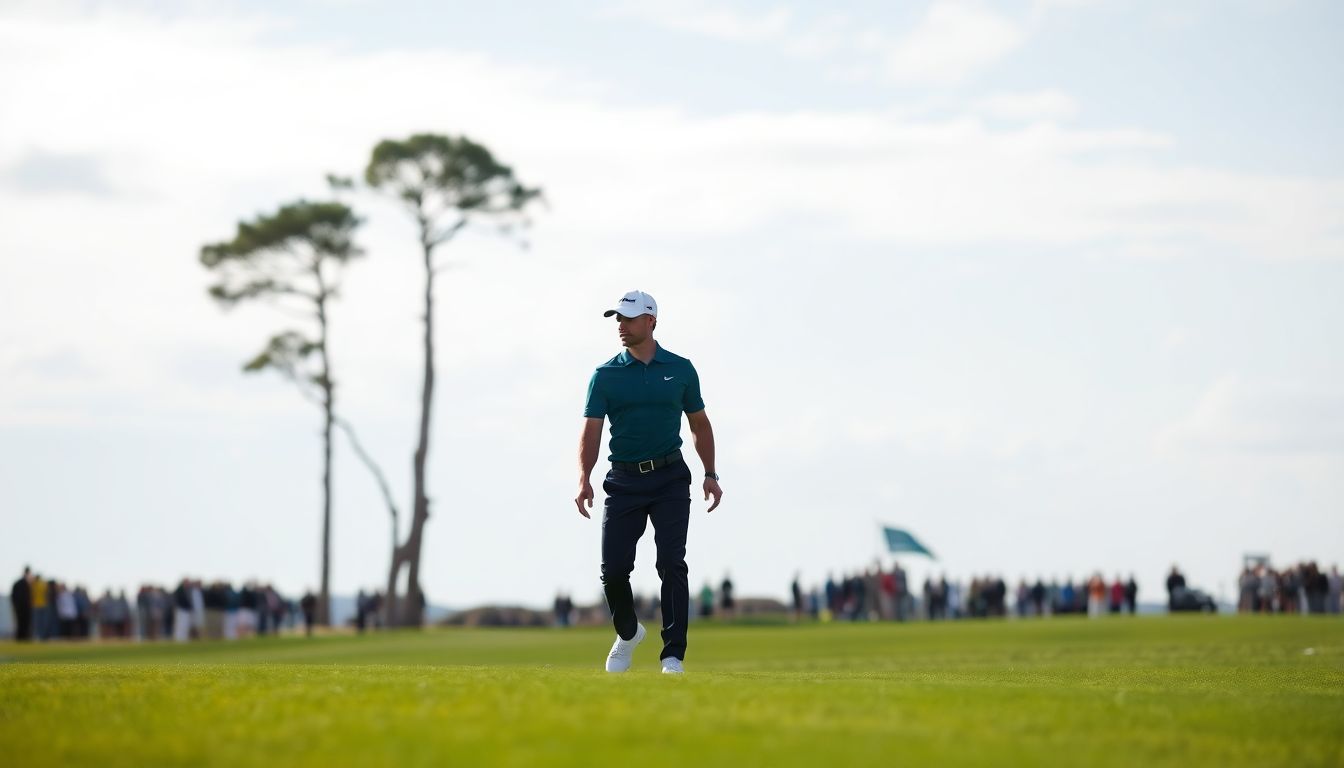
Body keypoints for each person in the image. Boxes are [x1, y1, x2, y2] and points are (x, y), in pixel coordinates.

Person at [574, 290, 723, 675]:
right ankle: (628, 633)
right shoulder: (604, 375)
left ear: (651, 321)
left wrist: (710, 473)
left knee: (671, 563)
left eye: (628, 318)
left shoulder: (681, 369)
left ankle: (672, 655)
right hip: (622, 480)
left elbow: (699, 424)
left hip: (670, 478)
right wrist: (584, 479)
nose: (621, 326)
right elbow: (591, 432)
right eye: (617, 319)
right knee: (613, 571)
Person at [10, 567, 32, 641]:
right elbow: (13, 595)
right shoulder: (21, 583)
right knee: (21, 622)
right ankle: (21, 637)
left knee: (24, 622)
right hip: (21, 606)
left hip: (24, 607)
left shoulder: (26, 583)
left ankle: (24, 636)